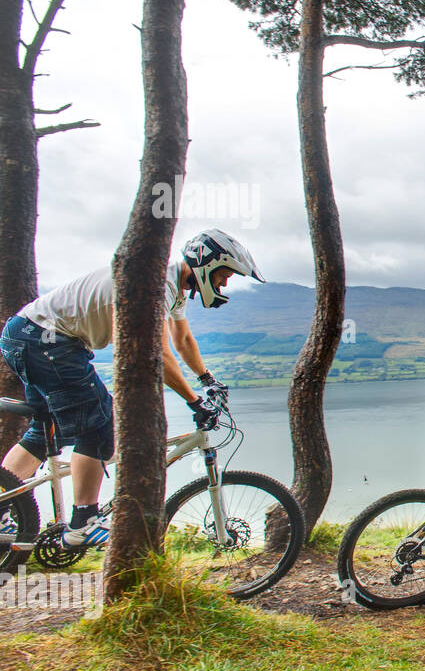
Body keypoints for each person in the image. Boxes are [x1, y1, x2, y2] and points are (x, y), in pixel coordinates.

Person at [0, 229, 264, 545]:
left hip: (28, 335)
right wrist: (195, 401)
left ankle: (3, 512)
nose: (224, 284)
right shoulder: (156, 285)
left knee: (46, 430)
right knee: (99, 425)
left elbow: (182, 340)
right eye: (225, 274)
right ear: (207, 263)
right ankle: (83, 523)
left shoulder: (171, 285)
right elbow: (159, 353)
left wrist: (207, 379)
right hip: (46, 340)